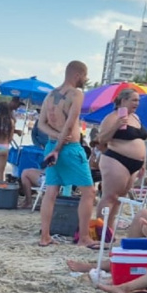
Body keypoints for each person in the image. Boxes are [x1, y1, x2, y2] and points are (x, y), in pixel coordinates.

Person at [36, 60, 97, 248]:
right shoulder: (76, 94)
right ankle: (84, 237)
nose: (85, 80)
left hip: (52, 145)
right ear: (78, 75)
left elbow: (41, 124)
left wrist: (54, 141)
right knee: (89, 191)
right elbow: (70, 124)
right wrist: (59, 146)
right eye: (85, 76)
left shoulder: (50, 95)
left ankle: (44, 236)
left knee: (51, 191)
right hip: (69, 149)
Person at [95, 89, 147, 229]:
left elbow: (141, 141)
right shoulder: (112, 117)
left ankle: (109, 229)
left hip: (135, 164)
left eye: (138, 100)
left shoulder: (135, 118)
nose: (137, 103)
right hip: (117, 160)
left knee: (119, 199)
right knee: (110, 196)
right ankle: (99, 231)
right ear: (123, 101)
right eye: (134, 100)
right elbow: (102, 140)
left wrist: (143, 163)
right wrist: (117, 125)